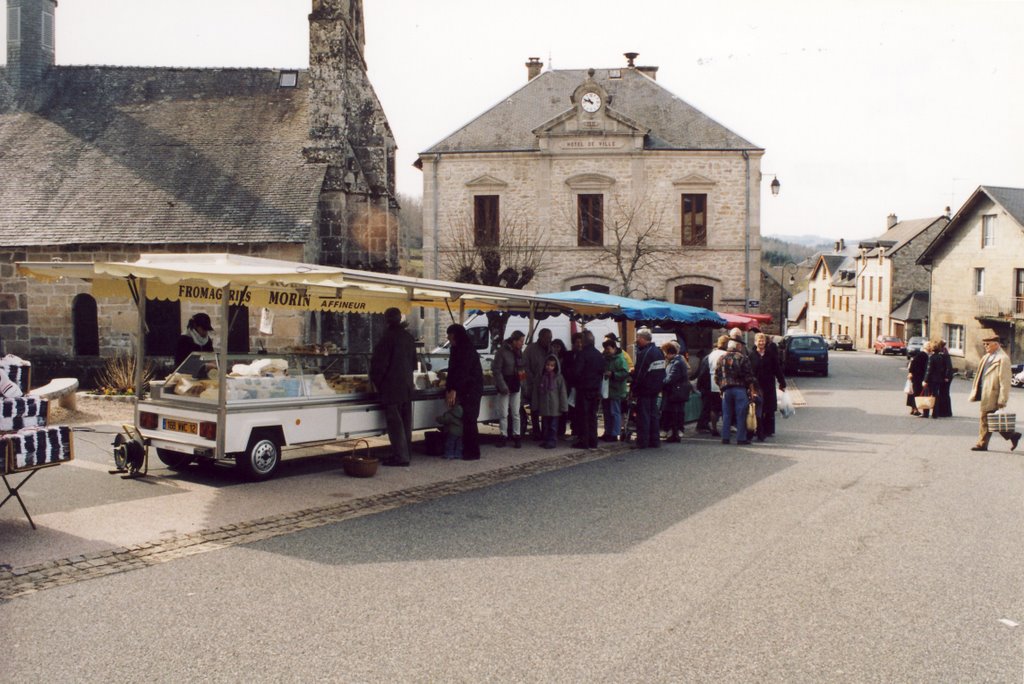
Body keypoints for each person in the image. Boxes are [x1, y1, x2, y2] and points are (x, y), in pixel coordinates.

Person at [369, 307, 417, 467]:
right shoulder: (409, 337)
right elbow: (413, 364)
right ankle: (406, 453)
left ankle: (401, 457)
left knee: (395, 424)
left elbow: (378, 365)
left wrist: (377, 383)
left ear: (387, 320)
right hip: (407, 385)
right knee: (405, 422)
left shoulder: (387, 338)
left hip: (392, 387)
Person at [969, 333, 1021, 452]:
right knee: (992, 419)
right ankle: (1012, 435)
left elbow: (1005, 381)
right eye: (985, 344)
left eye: (988, 344)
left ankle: (982, 444)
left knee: (985, 418)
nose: (985, 346)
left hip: (994, 393)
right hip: (985, 392)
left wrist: (1002, 399)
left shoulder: (1003, 359)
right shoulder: (986, 357)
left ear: (996, 345)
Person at [445, 324, 484, 460]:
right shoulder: (457, 348)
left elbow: (462, 371)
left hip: (471, 388)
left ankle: (472, 452)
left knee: (469, 419)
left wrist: (454, 388)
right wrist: (449, 388)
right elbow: (453, 371)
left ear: (455, 335)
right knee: (466, 419)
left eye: (449, 334)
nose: (448, 337)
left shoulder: (465, 349)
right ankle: (465, 450)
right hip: (466, 388)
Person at [631, 328, 666, 449]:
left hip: (645, 388)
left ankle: (643, 441)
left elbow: (640, 373)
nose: (636, 340)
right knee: (653, 415)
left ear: (642, 338)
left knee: (643, 416)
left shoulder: (645, 353)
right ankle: (654, 440)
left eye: (637, 338)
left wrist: (634, 387)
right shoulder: (658, 351)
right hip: (655, 388)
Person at [715, 339, 755, 445]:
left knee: (727, 414)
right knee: (740, 414)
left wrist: (721, 388)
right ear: (738, 347)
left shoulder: (721, 358)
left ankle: (725, 438)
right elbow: (748, 376)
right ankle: (741, 438)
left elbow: (717, 375)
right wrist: (751, 390)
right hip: (740, 389)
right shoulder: (742, 358)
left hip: (726, 390)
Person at [571, 330, 605, 449]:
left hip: (583, 388)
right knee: (592, 416)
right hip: (595, 388)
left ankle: (584, 441)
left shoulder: (582, 354)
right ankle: (593, 440)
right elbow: (602, 371)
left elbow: (576, 372)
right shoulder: (598, 354)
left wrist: (576, 381)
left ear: (585, 341)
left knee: (583, 416)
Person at [749, 332, 786, 440]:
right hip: (756, 386)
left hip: (768, 385)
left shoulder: (770, 354)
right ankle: (756, 429)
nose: (761, 342)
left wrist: (782, 383)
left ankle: (767, 430)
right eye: (759, 341)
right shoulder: (751, 355)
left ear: (765, 342)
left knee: (768, 408)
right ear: (755, 342)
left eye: (763, 341)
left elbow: (777, 369)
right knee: (756, 408)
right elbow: (748, 371)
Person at [491, 330, 525, 448]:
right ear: (514, 341)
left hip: (516, 383)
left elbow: (521, 367)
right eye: (521, 341)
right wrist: (503, 386)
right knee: (503, 412)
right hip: (505, 383)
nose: (522, 344)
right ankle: (503, 435)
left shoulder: (519, 352)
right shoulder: (502, 352)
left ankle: (517, 435)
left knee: (516, 412)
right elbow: (497, 370)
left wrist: (522, 381)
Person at [522, 328, 553, 440]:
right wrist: (533, 378)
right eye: (547, 337)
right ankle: (536, 430)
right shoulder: (531, 349)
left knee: (546, 408)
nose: (549, 340)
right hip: (534, 384)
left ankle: (545, 432)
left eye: (550, 337)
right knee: (534, 408)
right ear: (540, 337)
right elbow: (524, 365)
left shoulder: (551, 349)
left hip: (548, 384)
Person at [533, 354, 568, 449]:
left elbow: (562, 393)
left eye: (552, 365)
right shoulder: (540, 377)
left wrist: (564, 407)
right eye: (548, 365)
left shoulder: (559, 378)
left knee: (553, 426)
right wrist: (535, 405)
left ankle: (552, 441)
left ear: (555, 367)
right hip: (544, 406)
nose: (549, 367)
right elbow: (536, 392)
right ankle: (546, 440)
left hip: (555, 407)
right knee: (545, 425)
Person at [661, 341, 691, 442]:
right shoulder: (675, 361)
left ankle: (674, 435)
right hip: (674, 392)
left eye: (665, 353)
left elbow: (671, 378)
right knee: (674, 413)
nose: (664, 355)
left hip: (675, 393)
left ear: (670, 352)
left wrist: (660, 382)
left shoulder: (677, 363)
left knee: (675, 414)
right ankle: (674, 434)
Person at [601, 339, 630, 441]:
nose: (606, 351)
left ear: (614, 348)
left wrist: (613, 374)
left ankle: (614, 434)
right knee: (607, 412)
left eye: (608, 349)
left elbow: (625, 373)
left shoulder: (620, 359)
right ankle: (608, 432)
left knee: (614, 412)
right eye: (605, 349)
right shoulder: (606, 358)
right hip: (607, 390)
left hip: (616, 390)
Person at [922, 338, 954, 418]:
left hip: (933, 379)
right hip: (939, 379)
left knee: (929, 395)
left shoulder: (935, 357)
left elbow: (929, 370)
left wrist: (925, 380)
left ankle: (927, 413)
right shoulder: (941, 355)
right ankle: (936, 413)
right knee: (937, 395)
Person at [906, 341, 930, 416]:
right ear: (926, 347)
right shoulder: (923, 354)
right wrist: (911, 372)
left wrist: (911, 372)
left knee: (914, 392)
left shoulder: (924, 354)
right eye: (929, 346)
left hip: (916, 376)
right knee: (917, 393)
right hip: (918, 377)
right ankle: (915, 409)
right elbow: (913, 363)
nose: (931, 347)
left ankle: (913, 409)